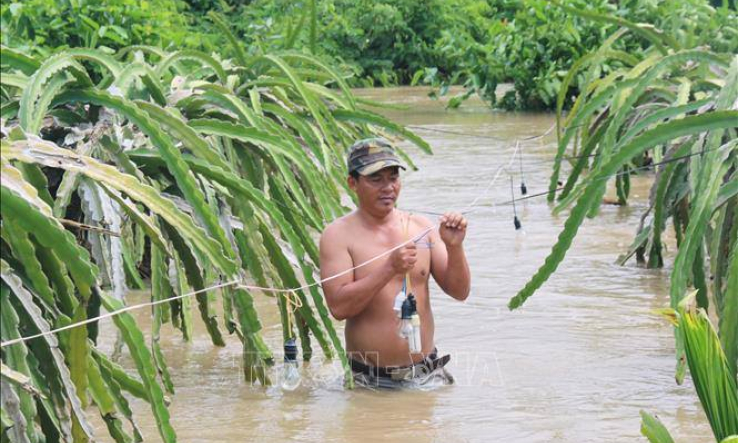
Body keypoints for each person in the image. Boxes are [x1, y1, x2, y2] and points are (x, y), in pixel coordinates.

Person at [319, 138, 471, 389]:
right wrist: (389, 268)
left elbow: (460, 291)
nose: (387, 187)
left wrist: (455, 247)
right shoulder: (337, 235)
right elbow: (339, 307)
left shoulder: (422, 227)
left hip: (427, 375)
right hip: (368, 381)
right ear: (352, 183)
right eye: (375, 179)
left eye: (393, 177)